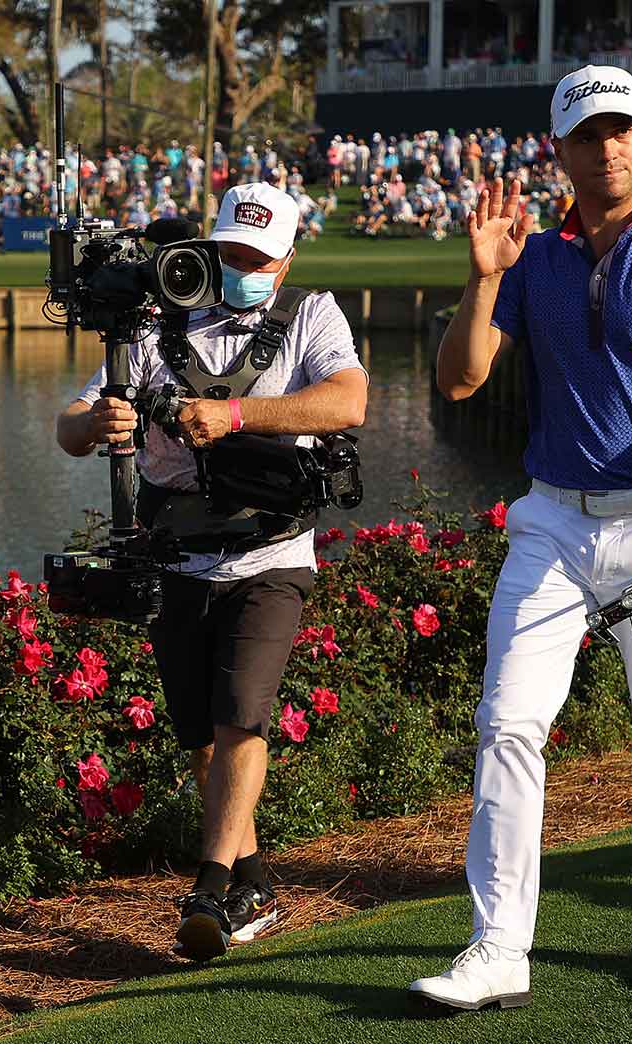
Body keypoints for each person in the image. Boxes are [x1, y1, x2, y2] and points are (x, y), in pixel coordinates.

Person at [416, 63, 632, 1010]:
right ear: (558, 151)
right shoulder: (533, 258)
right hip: (553, 522)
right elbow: (460, 381)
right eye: (586, 133)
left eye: (621, 129)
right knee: (508, 724)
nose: (606, 146)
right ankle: (497, 947)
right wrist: (482, 281)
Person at [53, 183, 368, 963]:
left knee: (240, 719)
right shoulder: (156, 324)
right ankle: (255, 880)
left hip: (272, 555)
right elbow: (67, 429)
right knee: (200, 736)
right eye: (228, 254)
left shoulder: (312, 316)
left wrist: (235, 416)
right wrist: (96, 424)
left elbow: (349, 401)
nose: (240, 269)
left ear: (288, 257)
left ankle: (210, 888)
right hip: (178, 557)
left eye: (258, 258)